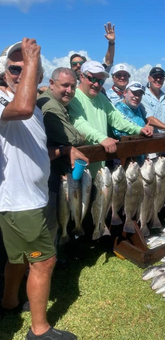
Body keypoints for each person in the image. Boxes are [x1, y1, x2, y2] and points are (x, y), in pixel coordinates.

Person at [0, 39, 77, 339]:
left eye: (27, 67)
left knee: (18, 259)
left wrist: (64, 151)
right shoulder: (8, 102)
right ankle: (40, 330)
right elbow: (21, 107)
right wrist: (32, 59)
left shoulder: (33, 108)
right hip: (18, 200)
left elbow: (33, 150)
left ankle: (8, 301)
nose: (20, 73)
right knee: (44, 261)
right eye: (14, 68)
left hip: (30, 197)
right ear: (4, 73)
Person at [69, 61, 153, 177]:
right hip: (81, 166)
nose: (97, 84)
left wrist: (139, 129)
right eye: (92, 79)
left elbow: (117, 118)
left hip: (100, 167)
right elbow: (79, 124)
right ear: (82, 77)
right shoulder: (74, 97)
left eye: (101, 81)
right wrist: (102, 138)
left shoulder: (101, 98)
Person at [37, 67, 88, 241]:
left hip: (52, 175)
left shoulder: (57, 103)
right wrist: (83, 136)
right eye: (65, 85)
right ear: (51, 84)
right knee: (49, 224)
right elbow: (72, 139)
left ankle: (53, 259)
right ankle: (45, 264)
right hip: (48, 177)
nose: (69, 91)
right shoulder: (50, 106)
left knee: (54, 221)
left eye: (73, 87)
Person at [141, 67, 165, 133]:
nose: (158, 79)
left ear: (164, 80)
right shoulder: (143, 96)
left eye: (161, 77)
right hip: (149, 139)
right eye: (155, 77)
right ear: (149, 78)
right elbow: (150, 119)